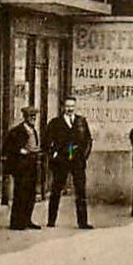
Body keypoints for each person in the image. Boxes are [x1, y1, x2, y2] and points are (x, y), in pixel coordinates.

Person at [45, 96, 94, 229]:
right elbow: (48, 141)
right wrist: (54, 155)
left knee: (81, 191)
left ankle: (83, 222)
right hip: (61, 160)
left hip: (77, 160)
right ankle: (51, 221)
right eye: (67, 106)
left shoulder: (81, 121)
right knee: (56, 190)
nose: (70, 109)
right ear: (63, 107)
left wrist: (84, 156)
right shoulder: (55, 122)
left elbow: (88, 141)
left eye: (72, 106)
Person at [4, 104, 43, 230]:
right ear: (25, 117)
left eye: (34, 116)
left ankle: (27, 220)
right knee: (20, 193)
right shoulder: (17, 131)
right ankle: (16, 222)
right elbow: (8, 147)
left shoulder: (33, 131)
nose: (33, 119)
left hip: (32, 164)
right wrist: (21, 151)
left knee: (31, 194)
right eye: (30, 116)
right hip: (21, 166)